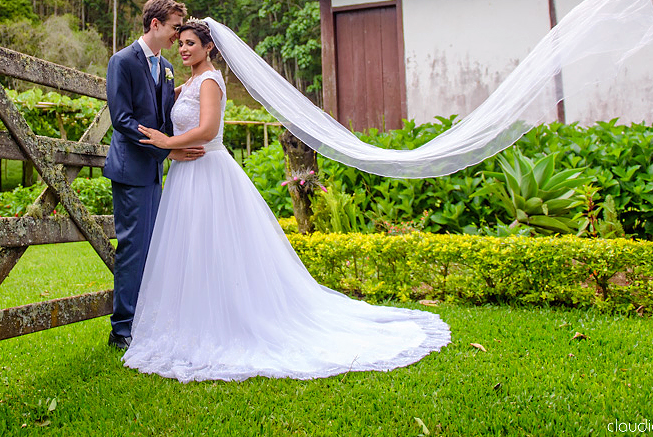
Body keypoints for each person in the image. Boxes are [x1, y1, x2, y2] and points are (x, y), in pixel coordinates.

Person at [126, 21, 450, 381]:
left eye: (190, 43)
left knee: (215, 245)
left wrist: (165, 143)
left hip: (210, 173)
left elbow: (205, 129)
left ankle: (228, 322)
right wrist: (172, 151)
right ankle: (189, 321)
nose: (183, 49)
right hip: (185, 173)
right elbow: (179, 129)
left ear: (209, 48)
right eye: (181, 43)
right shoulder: (184, 83)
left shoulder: (209, 82)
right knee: (189, 248)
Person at [102, 0, 204, 350]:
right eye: (176, 27)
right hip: (131, 169)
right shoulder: (122, 61)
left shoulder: (165, 67)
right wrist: (168, 149)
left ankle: (144, 320)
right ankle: (122, 330)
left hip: (154, 172)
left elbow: (163, 116)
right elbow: (123, 120)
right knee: (132, 248)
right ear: (155, 24)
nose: (179, 35)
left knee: (153, 249)